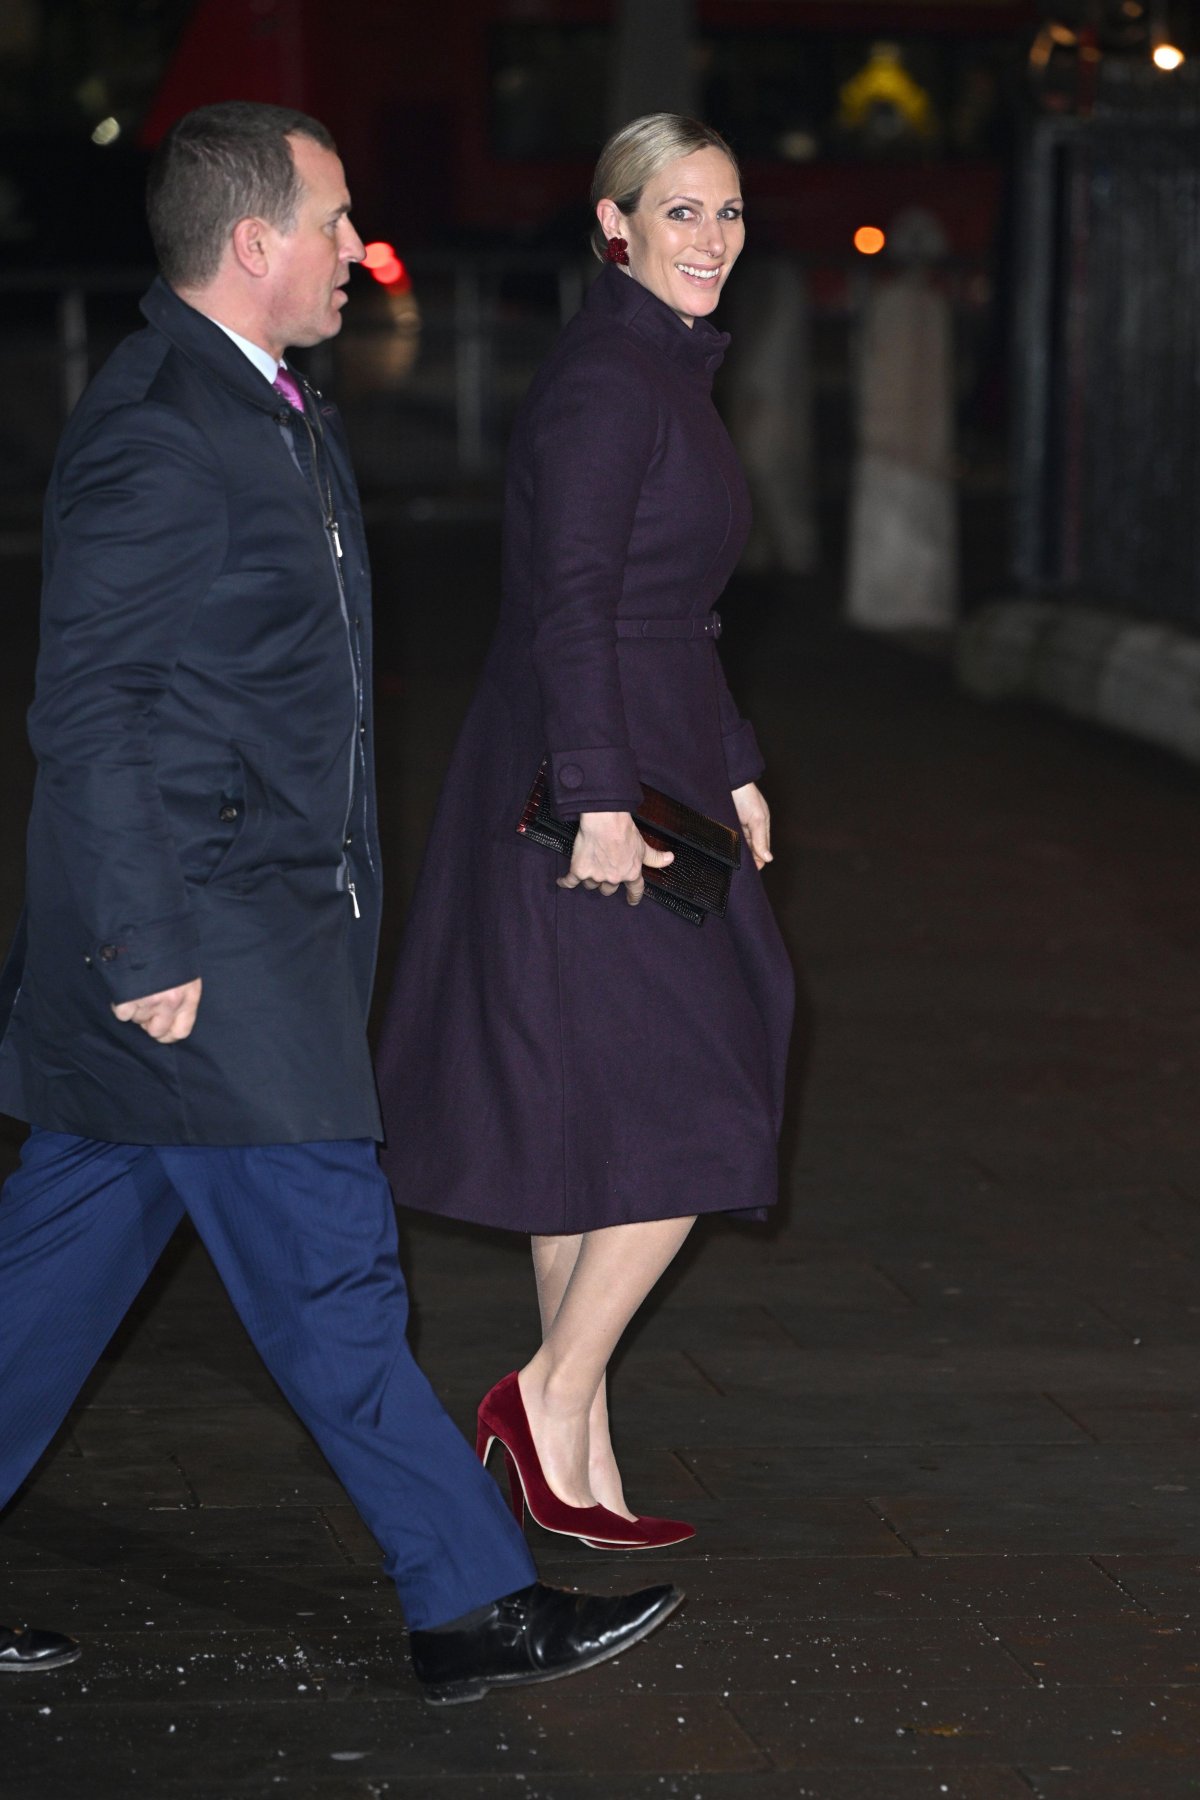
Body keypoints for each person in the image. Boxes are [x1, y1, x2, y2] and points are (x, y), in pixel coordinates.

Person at [0, 101, 681, 1701]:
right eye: (335, 223)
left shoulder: (265, 401)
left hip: (237, 944)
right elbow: (90, 709)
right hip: (204, 955)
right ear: (253, 243)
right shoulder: (164, 425)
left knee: (46, 1288)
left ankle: (471, 1598)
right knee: (337, 1288)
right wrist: (146, 941)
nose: (358, 255)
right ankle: (472, 1606)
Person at [377, 115, 794, 1550]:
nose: (712, 239)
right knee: (709, 1092)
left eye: (729, 212)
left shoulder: (660, 371)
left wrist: (732, 765)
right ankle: (545, 1393)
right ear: (613, 226)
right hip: (590, 784)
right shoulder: (614, 383)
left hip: (646, 764)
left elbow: (678, 607)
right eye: (680, 212)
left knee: (590, 1112)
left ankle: (579, 1456)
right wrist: (603, 797)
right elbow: (568, 602)